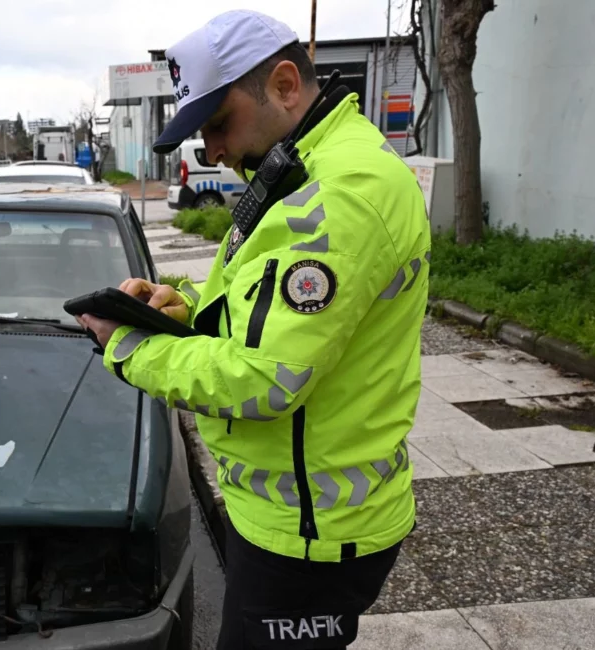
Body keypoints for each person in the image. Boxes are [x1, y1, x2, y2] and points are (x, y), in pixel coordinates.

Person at [76, 9, 429, 650]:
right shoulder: (303, 167)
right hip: (290, 517)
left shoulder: (337, 196)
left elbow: (265, 377)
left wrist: (129, 346)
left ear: (286, 84)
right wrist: (181, 304)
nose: (209, 149)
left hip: (308, 537)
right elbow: (258, 301)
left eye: (217, 124)